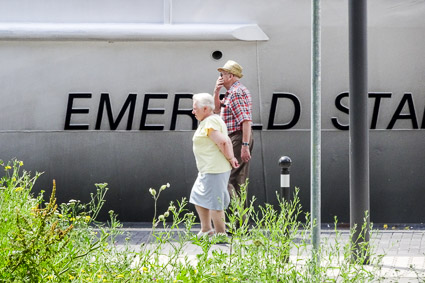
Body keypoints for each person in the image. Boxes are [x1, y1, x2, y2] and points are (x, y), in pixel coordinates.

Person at [189, 93, 239, 237]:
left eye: (195, 108)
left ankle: (220, 234)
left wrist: (231, 158)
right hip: (207, 169)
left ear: (205, 108)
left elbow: (224, 141)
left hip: (214, 169)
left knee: (215, 202)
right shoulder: (209, 121)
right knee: (198, 196)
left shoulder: (210, 122)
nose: (193, 112)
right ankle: (206, 229)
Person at [213, 60, 253, 201]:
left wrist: (245, 145)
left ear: (230, 76)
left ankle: (237, 217)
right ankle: (240, 220)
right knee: (238, 179)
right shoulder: (231, 92)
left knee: (228, 177)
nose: (220, 78)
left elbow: (246, 120)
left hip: (238, 136)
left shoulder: (236, 93)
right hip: (236, 137)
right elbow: (217, 109)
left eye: (222, 74)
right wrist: (216, 91)